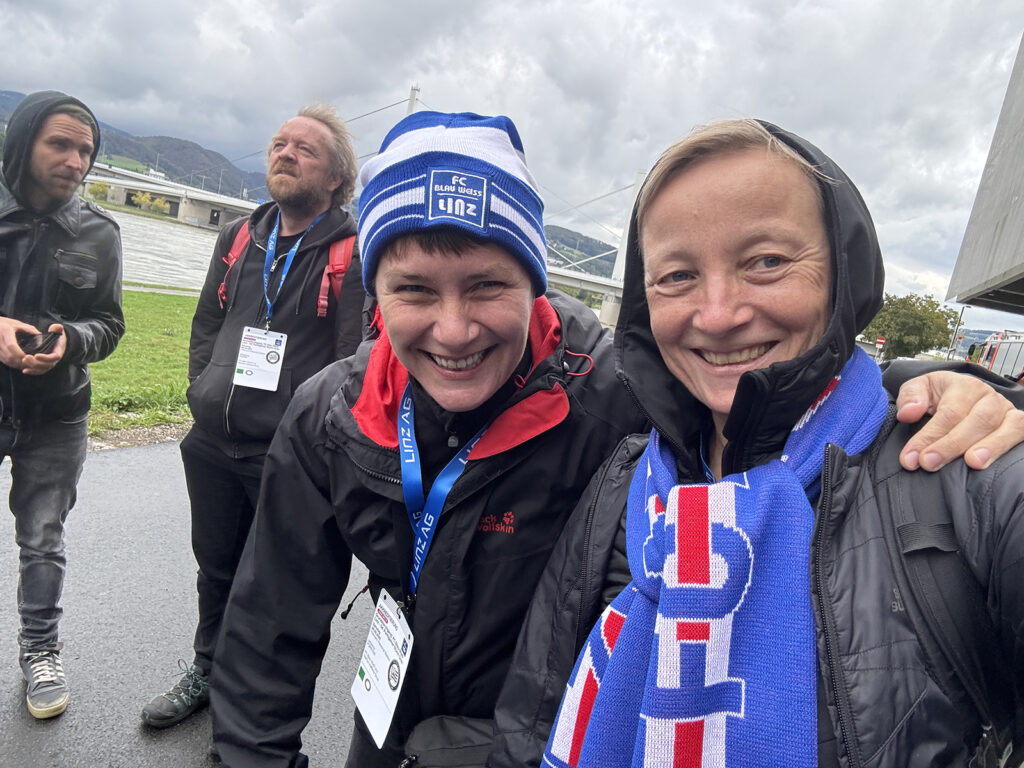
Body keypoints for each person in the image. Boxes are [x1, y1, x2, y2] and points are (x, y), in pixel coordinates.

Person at [210, 111, 1023, 768]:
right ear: (374, 292)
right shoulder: (330, 415)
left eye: (489, 285)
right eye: (413, 290)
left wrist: (944, 382)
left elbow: (770, 395)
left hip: (552, 718)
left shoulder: (615, 395)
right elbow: (268, 627)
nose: (453, 329)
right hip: (391, 712)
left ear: (536, 284)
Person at [532, 120, 1023, 767]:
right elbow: (533, 715)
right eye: (676, 275)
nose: (717, 313)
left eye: (766, 262)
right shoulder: (625, 479)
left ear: (842, 272)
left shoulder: (969, 472)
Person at [140, 103, 365, 729]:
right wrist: (201, 391)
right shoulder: (241, 235)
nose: (285, 153)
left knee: (273, 590)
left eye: (305, 150)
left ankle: (249, 715)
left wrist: (314, 443)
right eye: (279, 143)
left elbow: (352, 363)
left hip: (286, 456)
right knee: (215, 571)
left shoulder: (351, 253)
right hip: (212, 442)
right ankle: (207, 671)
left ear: (335, 180)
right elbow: (206, 323)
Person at [0, 90, 124, 719]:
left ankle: (41, 651)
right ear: (23, 143)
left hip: (58, 413)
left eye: (86, 150)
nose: (77, 161)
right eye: (61, 144)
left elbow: (110, 323)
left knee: (43, 538)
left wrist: (73, 341)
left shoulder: (100, 233)